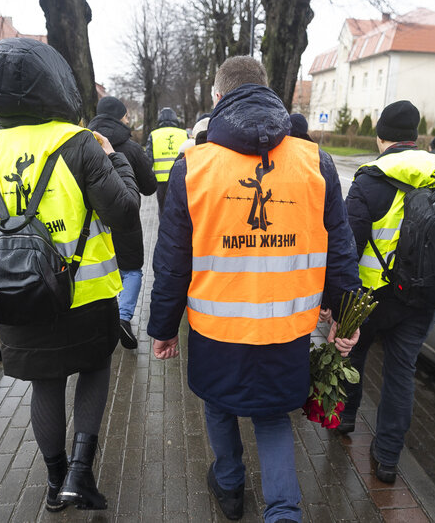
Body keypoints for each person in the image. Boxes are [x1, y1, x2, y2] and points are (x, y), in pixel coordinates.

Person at [147, 56, 361, 523]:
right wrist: (345, 315)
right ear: (270, 95)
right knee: (271, 417)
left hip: (215, 330)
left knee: (219, 406)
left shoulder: (194, 166)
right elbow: (340, 250)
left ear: (218, 100)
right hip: (286, 332)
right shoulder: (315, 162)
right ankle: (284, 512)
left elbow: (171, 261)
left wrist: (163, 328)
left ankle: (229, 487)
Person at [0, 38, 140, 512]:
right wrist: (115, 156)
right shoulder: (79, 143)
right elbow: (125, 213)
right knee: (94, 368)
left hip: (19, 295)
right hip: (85, 295)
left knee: (45, 384)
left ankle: (53, 482)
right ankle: (80, 476)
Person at [340, 100, 435, 484]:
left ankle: (343, 419)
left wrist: (336, 303)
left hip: (372, 296)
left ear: (380, 136)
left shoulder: (369, 179)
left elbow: (347, 247)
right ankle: (387, 458)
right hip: (421, 297)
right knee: (401, 374)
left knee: (353, 355)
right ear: (415, 137)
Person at [88, 96, 157, 349]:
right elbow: (149, 188)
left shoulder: (83, 144)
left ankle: (99, 322)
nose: (128, 119)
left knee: (96, 272)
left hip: (92, 225)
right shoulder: (131, 148)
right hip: (126, 221)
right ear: (119, 117)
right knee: (131, 271)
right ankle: (123, 317)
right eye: (126, 115)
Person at [144, 107, 188, 213]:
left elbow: (148, 161)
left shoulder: (154, 135)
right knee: (181, 211)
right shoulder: (184, 134)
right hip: (182, 179)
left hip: (162, 183)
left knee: (164, 211)